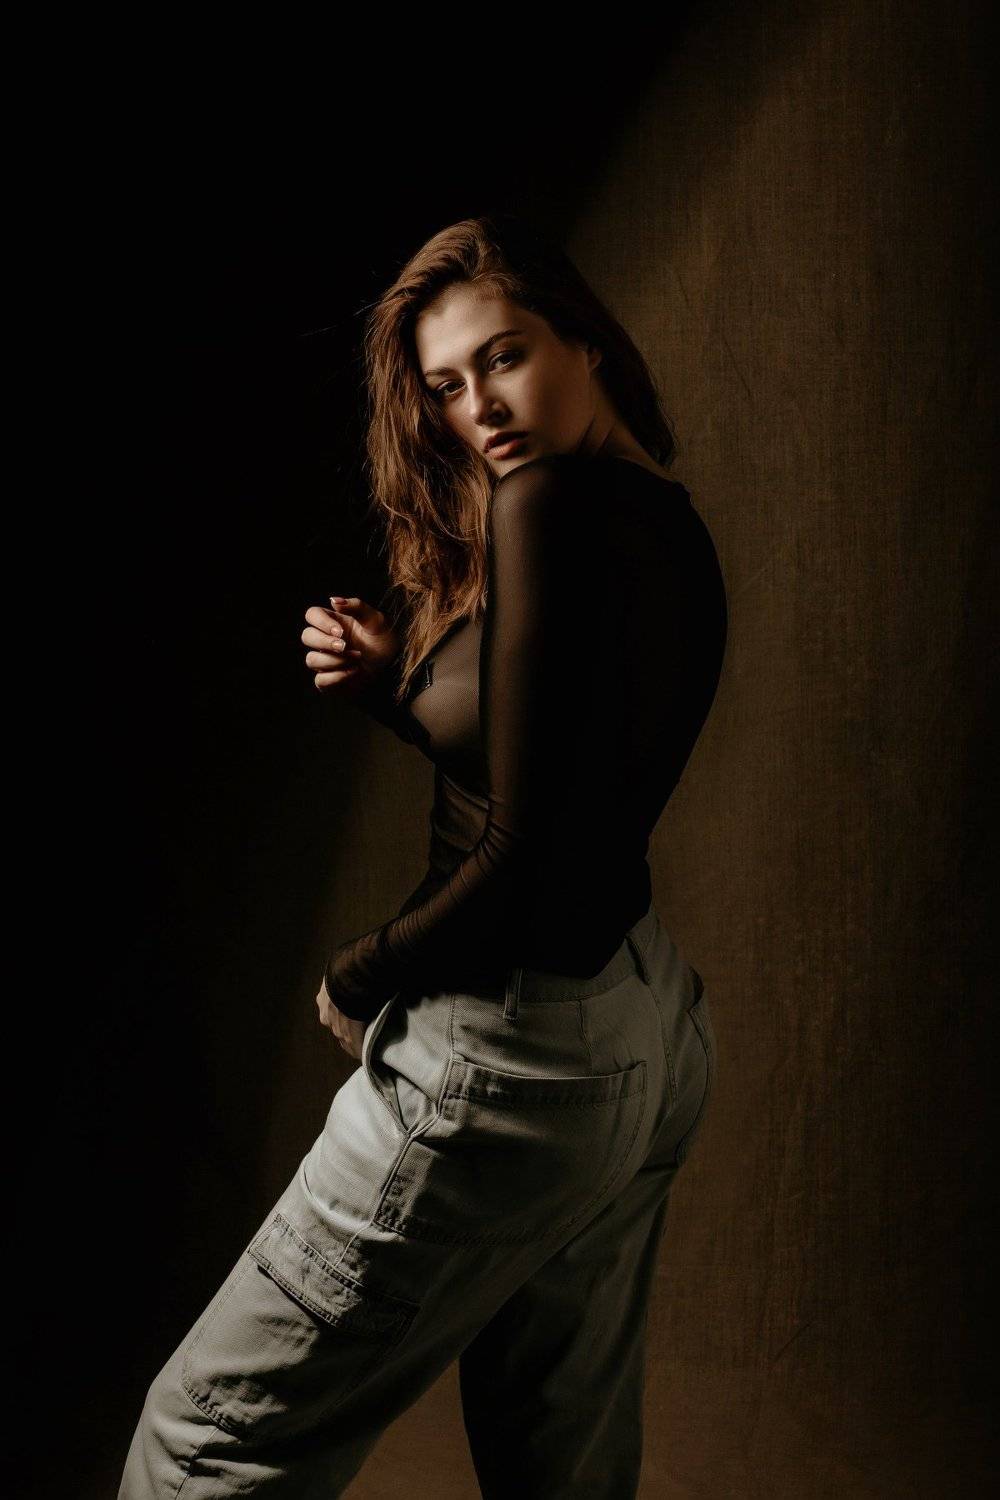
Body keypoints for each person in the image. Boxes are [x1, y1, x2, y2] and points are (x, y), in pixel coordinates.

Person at [118, 213, 728, 1499]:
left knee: (201, 1441)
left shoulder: (541, 502)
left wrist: (361, 971)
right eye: (446, 386)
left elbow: (528, 848)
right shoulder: (657, 517)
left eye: (503, 358)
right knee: (559, 1460)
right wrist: (402, 685)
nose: (478, 410)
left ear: (584, 340)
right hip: (641, 1028)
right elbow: (560, 773)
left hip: (508, 1047)